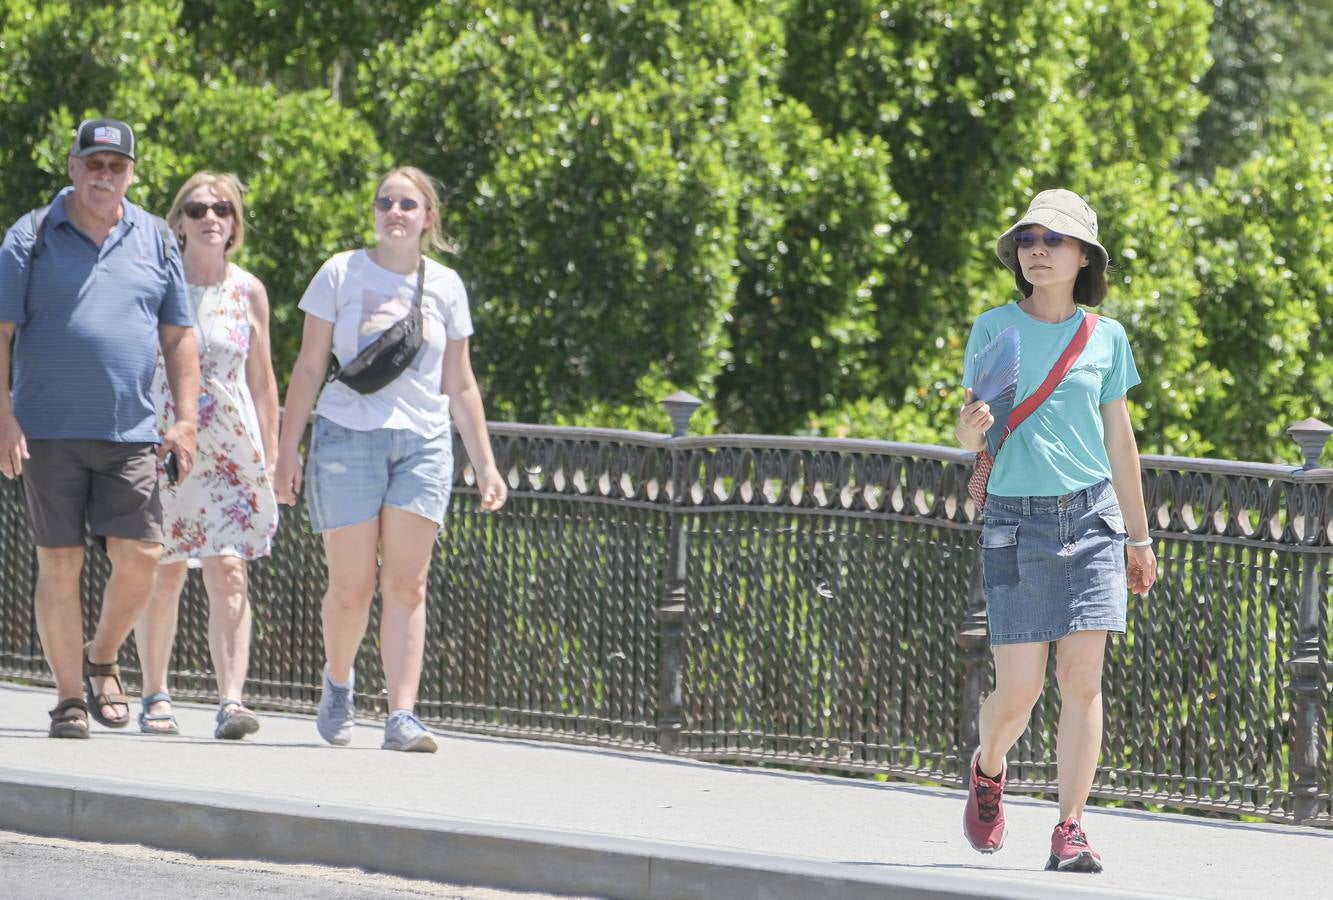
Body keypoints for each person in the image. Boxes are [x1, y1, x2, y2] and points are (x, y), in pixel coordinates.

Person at [956, 189, 1157, 873]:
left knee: (1082, 680)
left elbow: (1119, 439)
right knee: (1018, 693)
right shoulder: (993, 328)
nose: (1036, 249)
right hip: (1014, 520)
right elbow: (973, 420)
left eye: (1052, 240)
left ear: (1081, 257)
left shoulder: (1106, 337)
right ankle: (989, 766)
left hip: (1093, 519)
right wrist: (966, 431)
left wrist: (1138, 536)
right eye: (1027, 239)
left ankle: (1069, 827)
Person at [273, 165, 506, 753]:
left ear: (428, 217)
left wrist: (484, 463)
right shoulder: (339, 273)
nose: (395, 212)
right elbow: (308, 366)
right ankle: (340, 681)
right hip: (346, 436)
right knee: (351, 587)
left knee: (407, 582)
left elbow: (461, 382)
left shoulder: (447, 286)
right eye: (385, 203)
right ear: (374, 213)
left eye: (408, 204)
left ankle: (402, 714)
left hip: (423, 441)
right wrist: (285, 450)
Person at [0, 118, 199, 738]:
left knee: (142, 555)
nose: (104, 175)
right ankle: (68, 702)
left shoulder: (158, 238)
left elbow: (179, 336)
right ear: (73, 166)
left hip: (132, 430)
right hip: (47, 431)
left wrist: (187, 419)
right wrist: (3, 414)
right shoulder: (29, 236)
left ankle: (103, 655)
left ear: (131, 173)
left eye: (116, 166)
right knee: (59, 563)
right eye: (94, 163)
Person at [131, 172, 279, 739]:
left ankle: (231, 701)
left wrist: (268, 457)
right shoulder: (156, 282)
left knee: (230, 571)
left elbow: (264, 383)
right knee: (162, 573)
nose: (210, 217)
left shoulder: (249, 291)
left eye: (221, 208)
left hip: (231, 449)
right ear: (180, 221)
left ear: (234, 222)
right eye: (197, 209)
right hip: (167, 441)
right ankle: (155, 693)